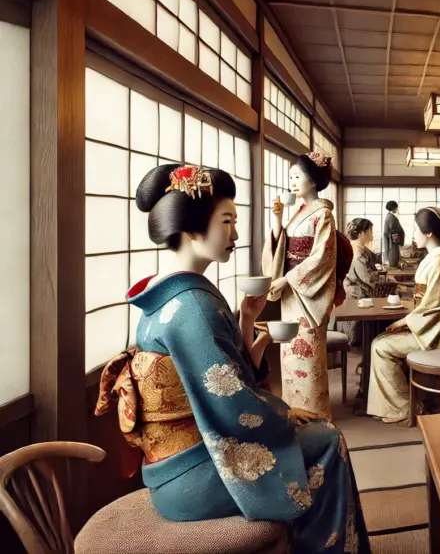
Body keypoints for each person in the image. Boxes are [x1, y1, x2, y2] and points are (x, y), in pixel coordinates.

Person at [96, 164, 368, 554]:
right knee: (327, 440)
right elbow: (233, 405)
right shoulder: (192, 306)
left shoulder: (172, 295)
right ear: (191, 229)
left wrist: (246, 322)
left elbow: (220, 377)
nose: (236, 235)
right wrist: (287, 414)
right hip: (193, 474)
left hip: (177, 465)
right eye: (227, 221)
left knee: (313, 432)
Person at [262, 152, 337, 419]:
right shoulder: (300, 212)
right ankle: (296, 410)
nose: (292, 182)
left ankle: (315, 413)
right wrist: (277, 220)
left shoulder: (323, 214)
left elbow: (322, 258)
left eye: (297, 177)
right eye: (290, 177)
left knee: (308, 356)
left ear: (314, 181)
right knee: (290, 355)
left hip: (308, 294)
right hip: (292, 295)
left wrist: (287, 279)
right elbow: (282, 244)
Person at [367, 208, 440, 425]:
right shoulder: (436, 259)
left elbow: (435, 306)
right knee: (380, 340)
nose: (413, 235)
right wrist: (408, 320)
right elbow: (427, 303)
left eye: (416, 230)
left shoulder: (439, 263)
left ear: (428, 234)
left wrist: (405, 320)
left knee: (380, 347)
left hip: (438, 332)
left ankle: (405, 407)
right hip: (428, 325)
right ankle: (398, 403)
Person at [337, 218, 380, 344]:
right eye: (370, 230)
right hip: (356, 291)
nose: (372, 234)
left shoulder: (358, 247)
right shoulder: (357, 251)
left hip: (357, 289)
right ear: (361, 233)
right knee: (354, 332)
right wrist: (379, 278)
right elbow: (366, 277)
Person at [382, 200, 404, 268]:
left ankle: (393, 265)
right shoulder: (391, 217)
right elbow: (394, 230)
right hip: (393, 240)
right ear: (394, 208)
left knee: (393, 254)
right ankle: (393, 266)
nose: (397, 209)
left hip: (392, 239)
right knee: (393, 255)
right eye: (396, 208)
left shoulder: (389, 216)